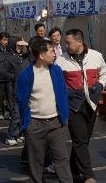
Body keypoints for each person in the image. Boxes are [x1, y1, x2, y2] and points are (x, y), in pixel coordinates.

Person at [56, 29, 106, 183]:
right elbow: (57, 83)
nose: (66, 45)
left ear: (80, 41)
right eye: (65, 43)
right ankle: (88, 175)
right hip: (73, 106)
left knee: (84, 140)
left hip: (91, 104)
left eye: (68, 42)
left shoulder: (96, 56)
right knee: (79, 140)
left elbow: (104, 73)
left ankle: (73, 169)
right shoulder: (61, 60)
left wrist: (101, 84)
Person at [16, 38, 71, 183]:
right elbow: (21, 101)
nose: (55, 54)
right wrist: (27, 124)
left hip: (57, 124)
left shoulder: (57, 70)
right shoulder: (26, 75)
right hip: (35, 125)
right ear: (41, 55)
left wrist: (64, 118)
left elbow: (63, 94)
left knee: (62, 162)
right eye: (51, 51)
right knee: (36, 165)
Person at [5, 36, 29, 146]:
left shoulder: (24, 57)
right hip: (16, 89)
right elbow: (4, 71)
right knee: (16, 114)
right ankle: (11, 135)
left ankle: (20, 133)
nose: (22, 46)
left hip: (26, 89)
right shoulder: (10, 58)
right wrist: (15, 76)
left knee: (23, 113)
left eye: (22, 45)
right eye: (19, 45)